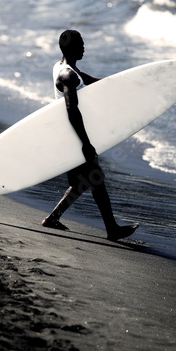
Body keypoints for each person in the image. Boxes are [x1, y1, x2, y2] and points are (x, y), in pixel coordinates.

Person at [42, 30, 139, 241]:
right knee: (95, 176)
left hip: (69, 136)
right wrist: (85, 143)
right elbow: (72, 110)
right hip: (74, 137)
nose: (84, 47)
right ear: (71, 48)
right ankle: (112, 229)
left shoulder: (63, 68)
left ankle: (53, 218)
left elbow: (88, 80)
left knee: (84, 181)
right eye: (80, 44)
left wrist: (122, 84)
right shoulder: (67, 75)